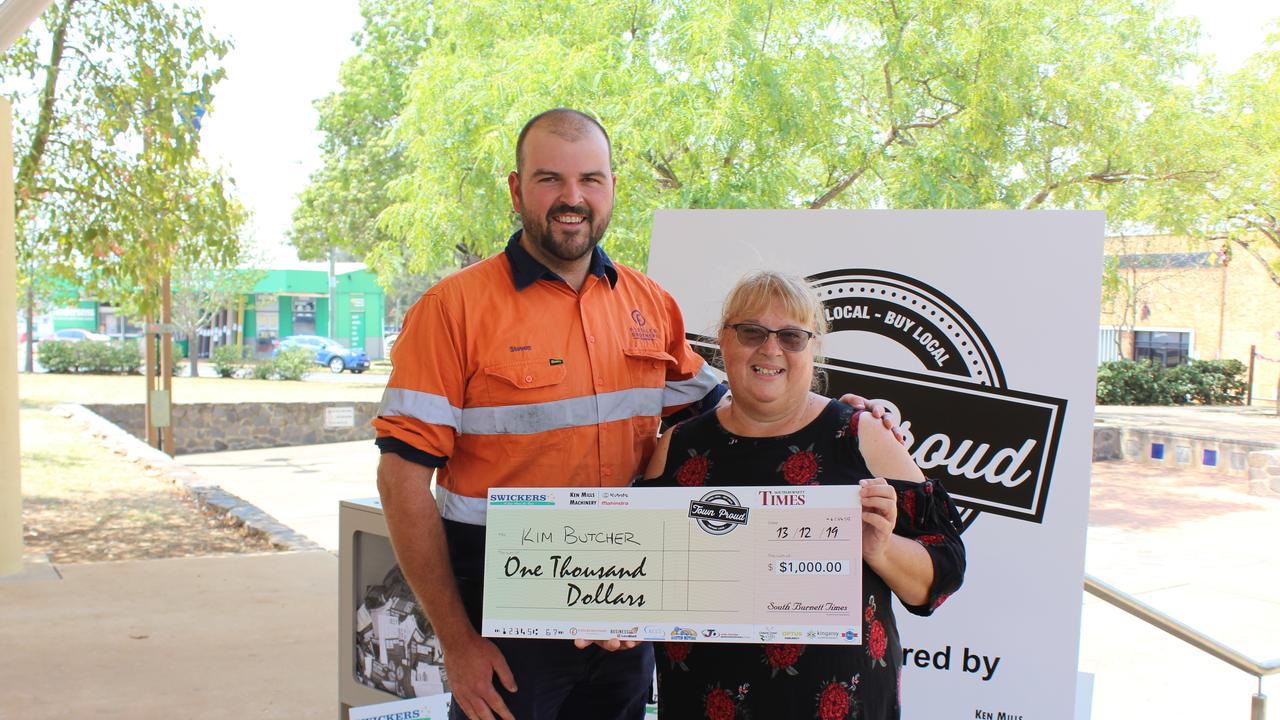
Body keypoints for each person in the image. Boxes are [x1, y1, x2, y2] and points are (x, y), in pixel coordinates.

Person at [373, 108, 900, 720]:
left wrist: (848, 415)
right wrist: (458, 643)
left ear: (612, 189)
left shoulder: (650, 304)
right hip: (507, 619)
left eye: (591, 180)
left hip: (627, 607)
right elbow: (400, 480)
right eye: (550, 179)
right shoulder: (452, 310)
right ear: (517, 190)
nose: (572, 198)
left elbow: (744, 413)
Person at [639, 270, 966, 720]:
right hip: (700, 698)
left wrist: (881, 549)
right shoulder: (675, 447)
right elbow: (642, 573)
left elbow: (940, 575)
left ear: (813, 349)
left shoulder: (861, 435)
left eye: (792, 336)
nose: (770, 349)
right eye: (751, 332)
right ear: (723, 341)